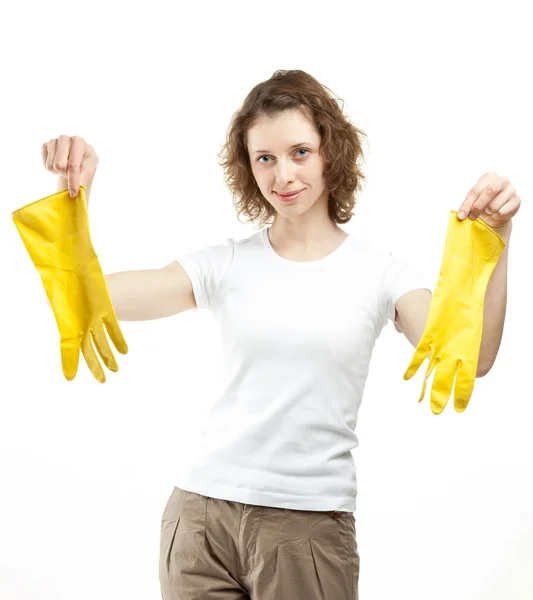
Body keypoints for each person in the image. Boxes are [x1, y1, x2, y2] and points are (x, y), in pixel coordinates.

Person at [41, 69, 517, 600]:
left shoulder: (381, 272)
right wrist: (69, 197)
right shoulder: (225, 264)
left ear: (330, 154)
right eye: (264, 157)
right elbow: (88, 298)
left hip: (306, 528)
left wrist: (496, 245)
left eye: (299, 152)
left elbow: (470, 356)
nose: (282, 174)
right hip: (200, 521)